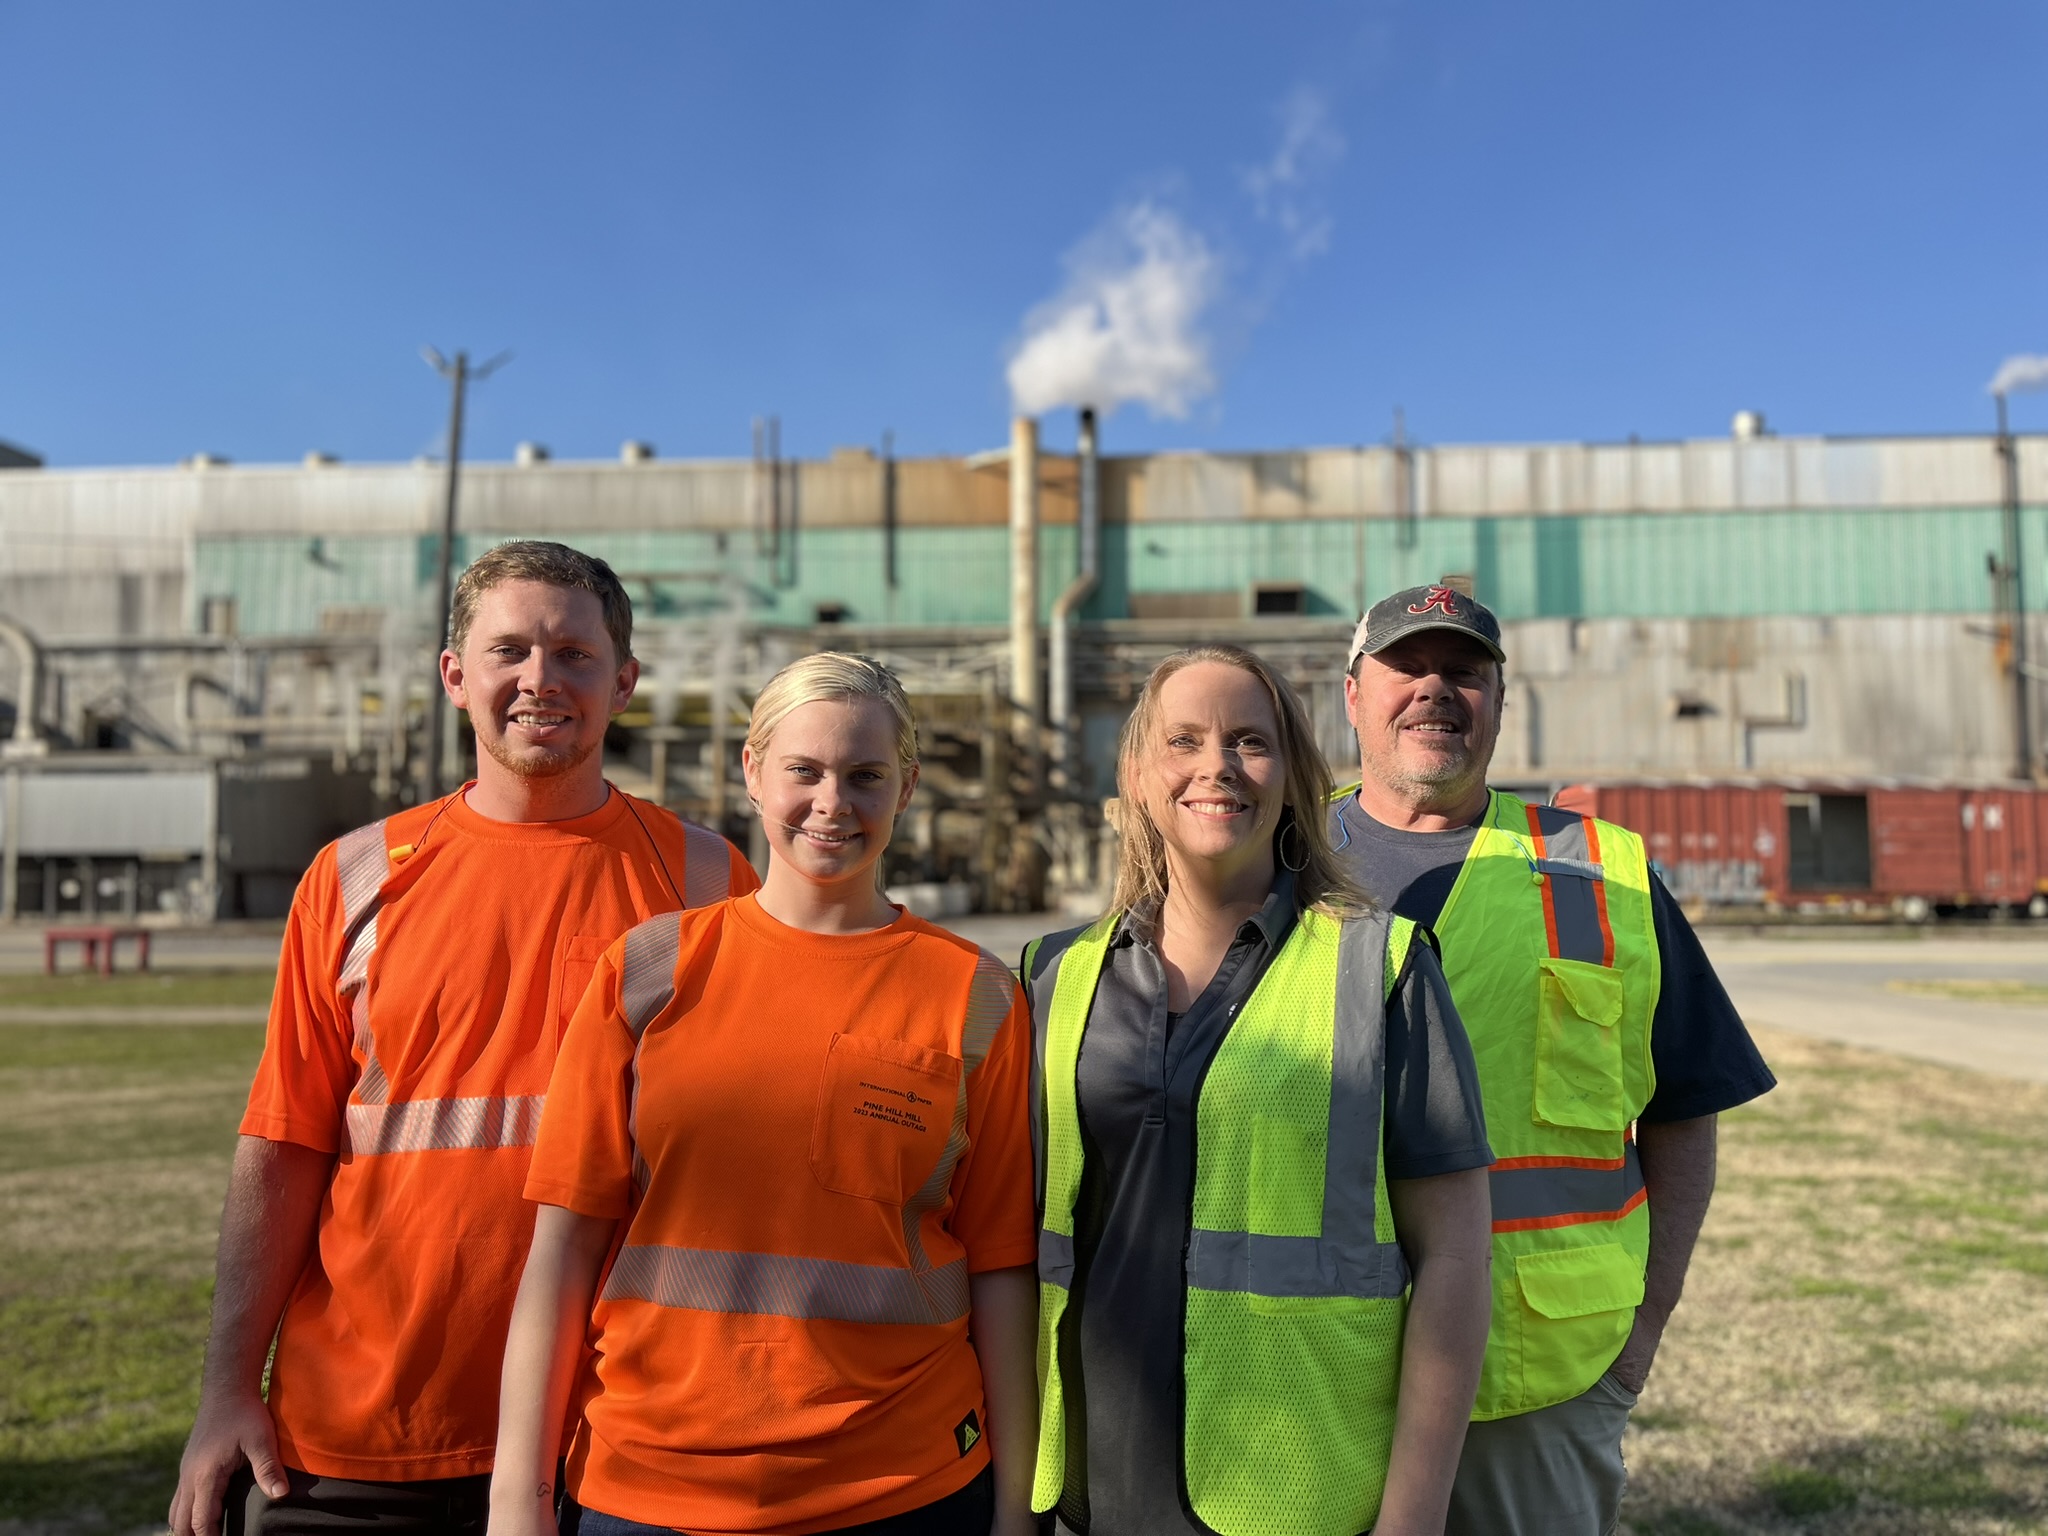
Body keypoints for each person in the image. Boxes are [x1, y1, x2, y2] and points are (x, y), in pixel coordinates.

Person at [169, 540, 759, 1536]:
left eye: (574, 654)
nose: (541, 679)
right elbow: (282, 1145)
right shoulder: (352, 879)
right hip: (364, 1425)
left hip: (614, 1428)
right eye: (509, 651)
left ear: (624, 683)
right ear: (455, 676)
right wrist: (226, 1388)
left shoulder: (709, 881)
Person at [490, 652, 1040, 1536]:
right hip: (647, 1487)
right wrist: (517, 1499)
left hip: (901, 1487)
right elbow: (561, 1248)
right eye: (805, 771)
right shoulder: (648, 972)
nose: (832, 803)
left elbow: (1002, 1264)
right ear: (752, 773)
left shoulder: (974, 995)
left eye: (865, 776)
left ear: (907, 786)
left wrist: (1017, 1507)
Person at [1329, 584, 1778, 1536]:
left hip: (1537, 1378)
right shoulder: (1279, 866)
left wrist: (1640, 1337)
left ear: (1501, 699)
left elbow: (1683, 1112)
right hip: (1312, 1366)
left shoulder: (1600, 870)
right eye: (1408, 667)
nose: (1435, 691)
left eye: (1466, 673)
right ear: (1352, 693)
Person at [1024, 644, 1496, 1536]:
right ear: (1135, 772)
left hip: (1299, 1494)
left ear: (1292, 778)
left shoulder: (1381, 967)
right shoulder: (1054, 976)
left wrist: (1415, 1518)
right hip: (1088, 1491)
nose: (1216, 767)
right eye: (1184, 741)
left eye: (1249, 741)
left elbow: (1459, 1259)